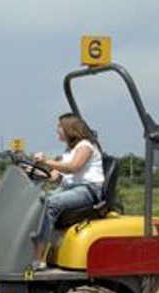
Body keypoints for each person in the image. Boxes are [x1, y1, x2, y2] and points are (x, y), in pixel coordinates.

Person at [31, 113, 104, 270]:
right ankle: (29, 250)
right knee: (38, 200)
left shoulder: (85, 146)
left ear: (69, 129)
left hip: (87, 190)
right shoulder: (68, 151)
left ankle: (38, 257)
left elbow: (73, 167)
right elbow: (54, 178)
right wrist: (32, 170)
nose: (57, 130)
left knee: (52, 202)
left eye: (59, 127)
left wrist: (46, 160)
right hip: (69, 188)